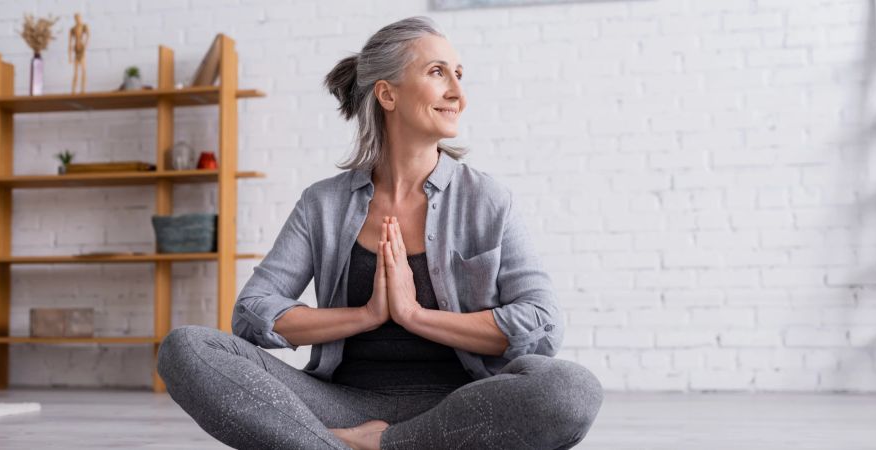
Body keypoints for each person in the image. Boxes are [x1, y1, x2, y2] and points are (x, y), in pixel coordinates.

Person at [157, 16, 602, 450]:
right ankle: (348, 442)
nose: (458, 93)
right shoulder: (323, 204)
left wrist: (415, 316)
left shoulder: (487, 200)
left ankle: (371, 445)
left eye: (459, 75)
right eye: (437, 72)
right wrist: (368, 314)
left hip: (463, 406)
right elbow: (253, 313)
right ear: (387, 94)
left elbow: (543, 326)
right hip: (338, 403)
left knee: (570, 390)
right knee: (186, 348)